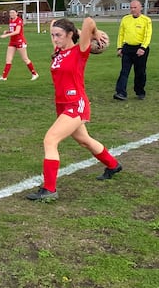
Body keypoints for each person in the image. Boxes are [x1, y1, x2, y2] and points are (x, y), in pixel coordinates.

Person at [26, 17, 122, 201]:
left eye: (59, 35)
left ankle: (49, 190)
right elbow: (55, 21)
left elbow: (88, 21)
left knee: (50, 140)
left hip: (76, 104)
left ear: (70, 35)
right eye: (53, 35)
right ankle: (113, 165)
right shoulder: (58, 50)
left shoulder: (80, 51)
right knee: (84, 140)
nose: (55, 39)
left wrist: (93, 33)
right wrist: (69, 30)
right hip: (62, 104)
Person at [114, 0, 152, 101]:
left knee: (140, 72)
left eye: (135, 7)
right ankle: (121, 93)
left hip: (140, 49)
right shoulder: (125, 19)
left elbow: (147, 36)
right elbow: (121, 34)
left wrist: (143, 48)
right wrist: (119, 47)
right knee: (124, 71)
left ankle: (140, 91)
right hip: (127, 48)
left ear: (140, 8)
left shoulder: (146, 20)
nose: (132, 9)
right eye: (131, 7)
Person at [0, 9, 39, 81]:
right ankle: (4, 77)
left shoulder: (19, 20)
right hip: (12, 42)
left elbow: (17, 31)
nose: (11, 14)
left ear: (17, 13)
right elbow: (13, 30)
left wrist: (6, 35)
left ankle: (34, 74)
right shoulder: (11, 20)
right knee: (8, 59)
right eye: (10, 13)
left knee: (25, 59)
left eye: (13, 12)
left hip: (20, 41)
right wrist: (7, 31)